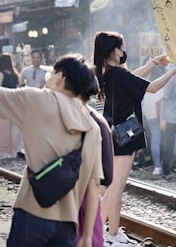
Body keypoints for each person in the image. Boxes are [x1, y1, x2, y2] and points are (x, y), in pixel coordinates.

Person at [0, 53, 103, 246]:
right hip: (68, 224)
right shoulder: (92, 127)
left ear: (60, 77)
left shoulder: (37, 99)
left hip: (32, 214)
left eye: (52, 73)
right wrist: (87, 235)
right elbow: (94, 184)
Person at [93, 31, 176, 245]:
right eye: (123, 46)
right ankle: (105, 233)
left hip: (114, 133)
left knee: (114, 187)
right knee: (117, 187)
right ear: (115, 51)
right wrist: (172, 72)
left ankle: (107, 232)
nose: (125, 50)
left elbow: (133, 77)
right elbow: (150, 87)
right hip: (126, 134)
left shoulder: (108, 72)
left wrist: (154, 62)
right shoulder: (118, 74)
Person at [75, 75, 114, 247]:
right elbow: (107, 175)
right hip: (85, 201)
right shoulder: (99, 121)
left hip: (71, 199)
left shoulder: (89, 121)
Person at [0, 53, 22, 160]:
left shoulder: (0, 74)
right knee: (14, 129)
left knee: (2, 129)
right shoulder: (15, 75)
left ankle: (3, 153)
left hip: (3, 105)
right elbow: (18, 89)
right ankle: (13, 152)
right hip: (14, 104)